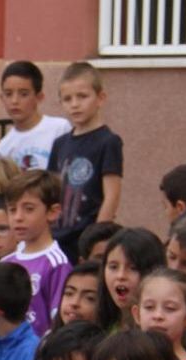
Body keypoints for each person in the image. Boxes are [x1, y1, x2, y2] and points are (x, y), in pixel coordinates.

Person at [47, 62, 123, 260]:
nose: (74, 104)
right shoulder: (60, 143)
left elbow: (111, 196)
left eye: (82, 96)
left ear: (100, 98)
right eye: (67, 99)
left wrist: (95, 240)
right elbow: (50, 192)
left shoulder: (108, 141)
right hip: (57, 237)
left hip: (85, 236)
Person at [2, 170, 72, 334]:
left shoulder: (57, 264)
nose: (18, 217)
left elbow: (58, 320)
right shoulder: (5, 263)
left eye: (29, 209)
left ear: (52, 212)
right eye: (12, 210)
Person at [0, 61, 71, 171]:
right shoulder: (3, 148)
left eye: (23, 94)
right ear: (1, 98)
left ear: (39, 97)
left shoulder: (59, 129)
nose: (14, 101)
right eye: (8, 94)